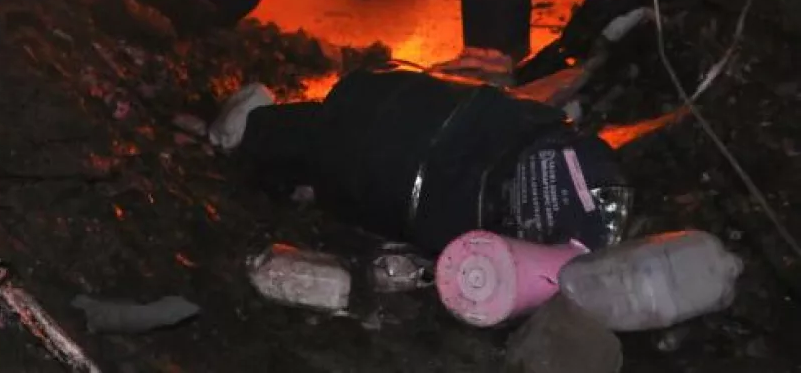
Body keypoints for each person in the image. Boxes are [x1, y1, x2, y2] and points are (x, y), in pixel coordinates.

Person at [209, 65, 632, 254]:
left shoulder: (339, 132)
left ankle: (257, 141)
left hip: (400, 148)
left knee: (338, 144)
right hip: (413, 152)